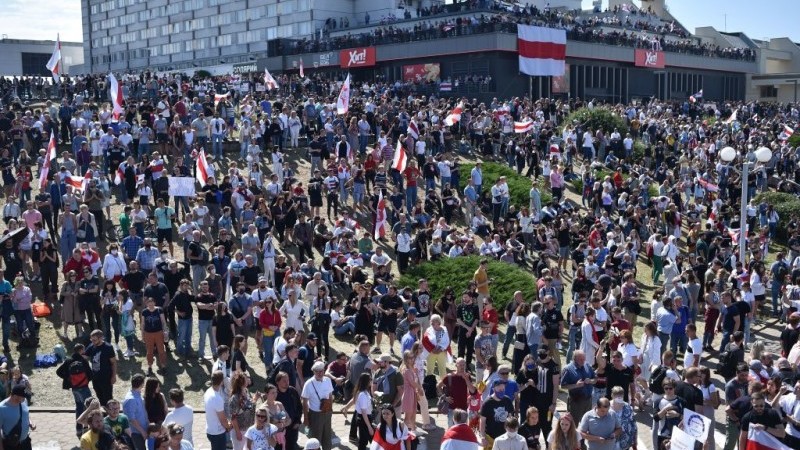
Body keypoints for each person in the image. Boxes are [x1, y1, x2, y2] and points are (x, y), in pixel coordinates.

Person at [55, 343, 93, 437]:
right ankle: (86, 429)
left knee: (79, 407)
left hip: (75, 388)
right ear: (80, 350)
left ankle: (78, 429)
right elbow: (90, 374)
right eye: (83, 350)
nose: (84, 352)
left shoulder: (68, 360)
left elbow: (58, 371)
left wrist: (68, 378)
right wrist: (86, 380)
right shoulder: (83, 360)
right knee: (88, 408)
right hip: (84, 388)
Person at [301, 360, 334, 450]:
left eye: (322, 371)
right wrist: (306, 418)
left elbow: (330, 396)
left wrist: (330, 409)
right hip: (315, 414)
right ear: (314, 372)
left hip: (327, 412)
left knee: (327, 437)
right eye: (317, 371)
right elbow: (304, 402)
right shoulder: (308, 384)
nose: (320, 373)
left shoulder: (328, 380)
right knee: (316, 439)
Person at [85, 328, 117, 407]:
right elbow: (84, 356)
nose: (92, 342)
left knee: (108, 398)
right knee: (100, 397)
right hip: (95, 377)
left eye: (94, 340)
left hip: (106, 377)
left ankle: (111, 415)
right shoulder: (92, 346)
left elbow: (113, 363)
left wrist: (113, 376)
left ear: (101, 338)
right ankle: (104, 414)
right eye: (91, 340)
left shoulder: (108, 347)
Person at [560, 350, 596, 421]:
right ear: (575, 359)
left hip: (588, 401)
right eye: (581, 359)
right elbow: (563, 386)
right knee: (573, 424)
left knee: (587, 423)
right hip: (575, 402)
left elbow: (595, 379)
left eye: (584, 359)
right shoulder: (568, 369)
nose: (583, 361)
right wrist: (576, 385)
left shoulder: (587, 365)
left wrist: (590, 381)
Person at [480, 379, 515, 449]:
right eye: (499, 390)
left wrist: (512, 433)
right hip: (490, 438)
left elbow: (510, 418)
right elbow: (482, 421)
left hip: (505, 437)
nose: (501, 391)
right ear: (494, 389)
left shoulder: (507, 400)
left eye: (503, 389)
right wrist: (483, 437)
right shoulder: (487, 403)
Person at [230, 371, 258, 450]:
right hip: (240, 430)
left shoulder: (246, 391)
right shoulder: (235, 398)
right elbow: (233, 417)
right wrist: (238, 432)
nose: (248, 379)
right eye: (246, 378)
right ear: (242, 382)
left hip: (248, 429)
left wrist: (255, 399)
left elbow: (248, 406)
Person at [205, 370, 232, 450]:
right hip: (217, 433)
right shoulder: (217, 398)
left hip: (210, 429)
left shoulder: (208, 391)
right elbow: (222, 420)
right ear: (222, 382)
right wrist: (228, 426)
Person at [122, 373, 149, 450]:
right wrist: (143, 432)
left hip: (143, 430)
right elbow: (132, 419)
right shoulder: (131, 399)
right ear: (142, 384)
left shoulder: (137, 394)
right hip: (137, 433)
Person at [353, 372, 374, 450]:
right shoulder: (363, 395)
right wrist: (369, 427)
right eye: (370, 380)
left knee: (365, 440)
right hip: (364, 418)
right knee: (363, 441)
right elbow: (364, 412)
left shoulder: (364, 392)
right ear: (367, 382)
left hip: (364, 418)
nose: (371, 381)